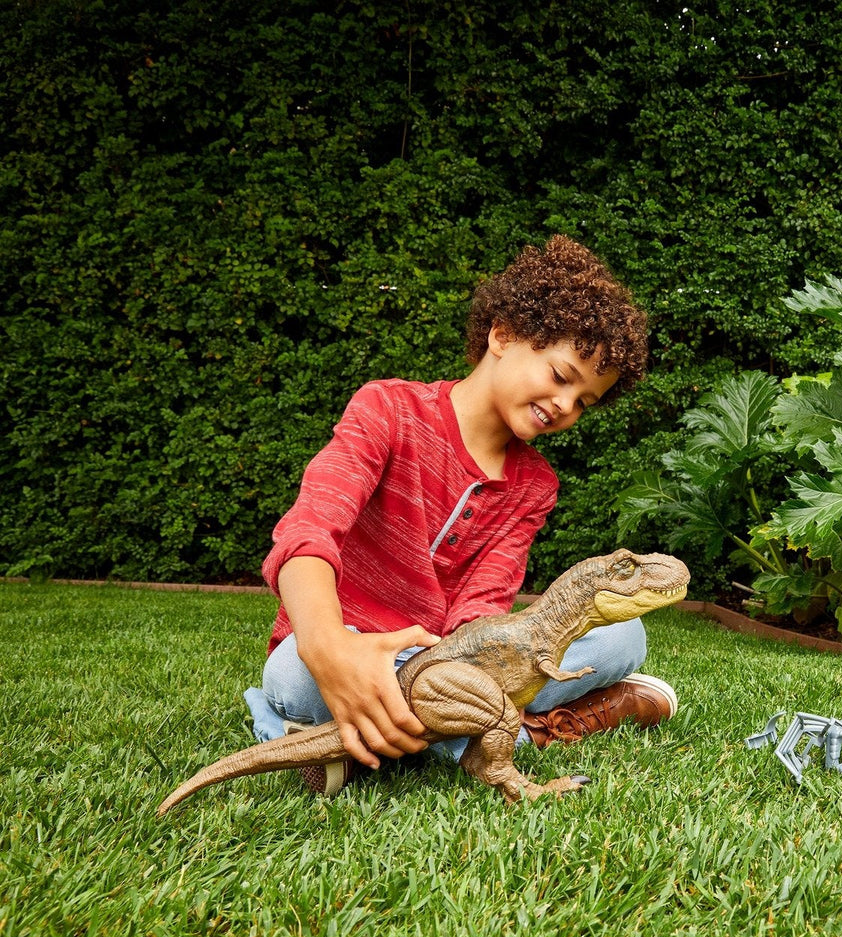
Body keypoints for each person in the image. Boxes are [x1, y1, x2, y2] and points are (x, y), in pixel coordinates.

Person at [242, 235, 675, 797]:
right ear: (503, 334)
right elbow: (309, 530)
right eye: (561, 376)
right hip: (344, 643)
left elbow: (483, 609)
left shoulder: (535, 486)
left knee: (624, 636)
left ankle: (363, 740)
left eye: (584, 402)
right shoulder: (389, 410)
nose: (567, 406)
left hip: (451, 664)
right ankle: (518, 731)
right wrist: (328, 646)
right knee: (295, 677)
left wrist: (467, 669)